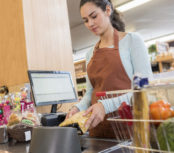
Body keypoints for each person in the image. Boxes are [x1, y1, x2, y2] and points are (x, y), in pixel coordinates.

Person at [66, 0, 153, 138]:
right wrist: (78, 108)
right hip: (99, 132)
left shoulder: (132, 41)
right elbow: (90, 93)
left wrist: (105, 106)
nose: (90, 24)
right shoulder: (90, 54)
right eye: (86, 20)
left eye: (94, 16)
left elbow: (144, 90)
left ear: (108, 10)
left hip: (130, 131)